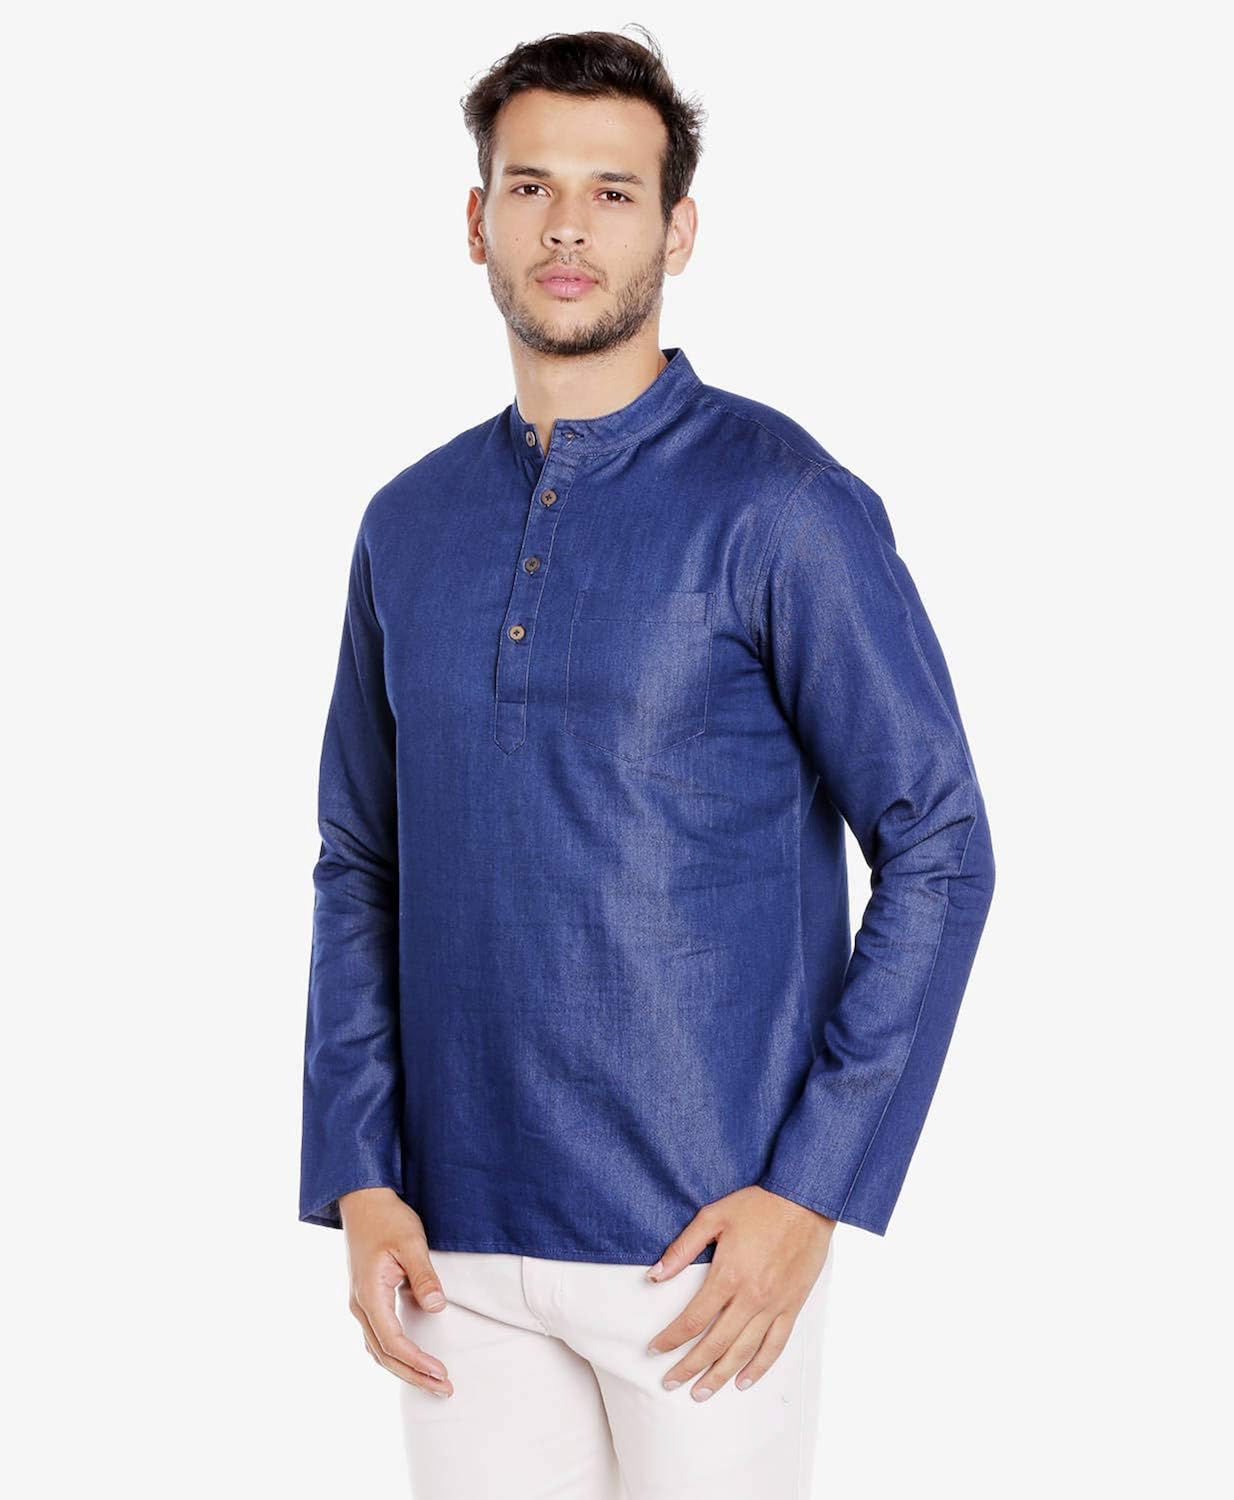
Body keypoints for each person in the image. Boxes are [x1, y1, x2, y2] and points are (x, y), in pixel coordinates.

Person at [299, 26, 996, 1500]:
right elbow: (361, 858)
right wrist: (358, 1172)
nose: (567, 227)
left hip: (701, 1251)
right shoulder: (405, 521)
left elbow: (937, 841)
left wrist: (812, 1191)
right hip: (452, 1248)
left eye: (612, 193)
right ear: (474, 220)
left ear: (677, 229)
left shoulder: (781, 503)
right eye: (530, 186)